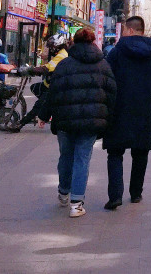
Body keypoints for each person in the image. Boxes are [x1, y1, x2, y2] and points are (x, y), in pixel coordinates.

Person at [37, 28, 116, 218]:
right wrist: (109, 118)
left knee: (66, 156)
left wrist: (43, 115)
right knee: (82, 159)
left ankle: (63, 192)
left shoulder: (64, 65)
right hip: (91, 122)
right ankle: (77, 204)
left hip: (65, 120)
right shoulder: (103, 65)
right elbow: (112, 95)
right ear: (93, 42)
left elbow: (52, 93)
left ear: (73, 42)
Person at [101, 16, 151, 211]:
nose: (123, 32)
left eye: (124, 29)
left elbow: (106, 80)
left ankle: (115, 196)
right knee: (140, 153)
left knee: (115, 152)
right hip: (145, 110)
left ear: (131, 30)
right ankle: (136, 193)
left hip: (119, 109)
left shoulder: (116, 53)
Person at [19, 31, 70, 128]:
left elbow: (47, 69)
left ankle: (21, 123)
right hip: (49, 84)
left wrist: (31, 70)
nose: (50, 49)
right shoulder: (60, 54)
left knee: (39, 105)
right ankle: (49, 107)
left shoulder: (61, 56)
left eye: (51, 46)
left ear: (57, 46)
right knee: (35, 87)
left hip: (54, 87)